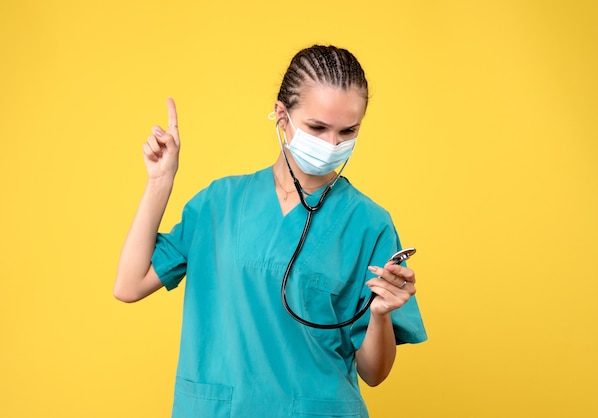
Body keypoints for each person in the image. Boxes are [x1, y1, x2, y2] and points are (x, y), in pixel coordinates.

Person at [114, 45, 427, 418]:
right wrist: (160, 182)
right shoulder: (219, 203)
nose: (332, 145)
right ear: (281, 115)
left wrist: (380, 314)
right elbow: (129, 285)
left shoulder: (369, 224)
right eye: (317, 127)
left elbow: (374, 373)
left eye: (348, 131)